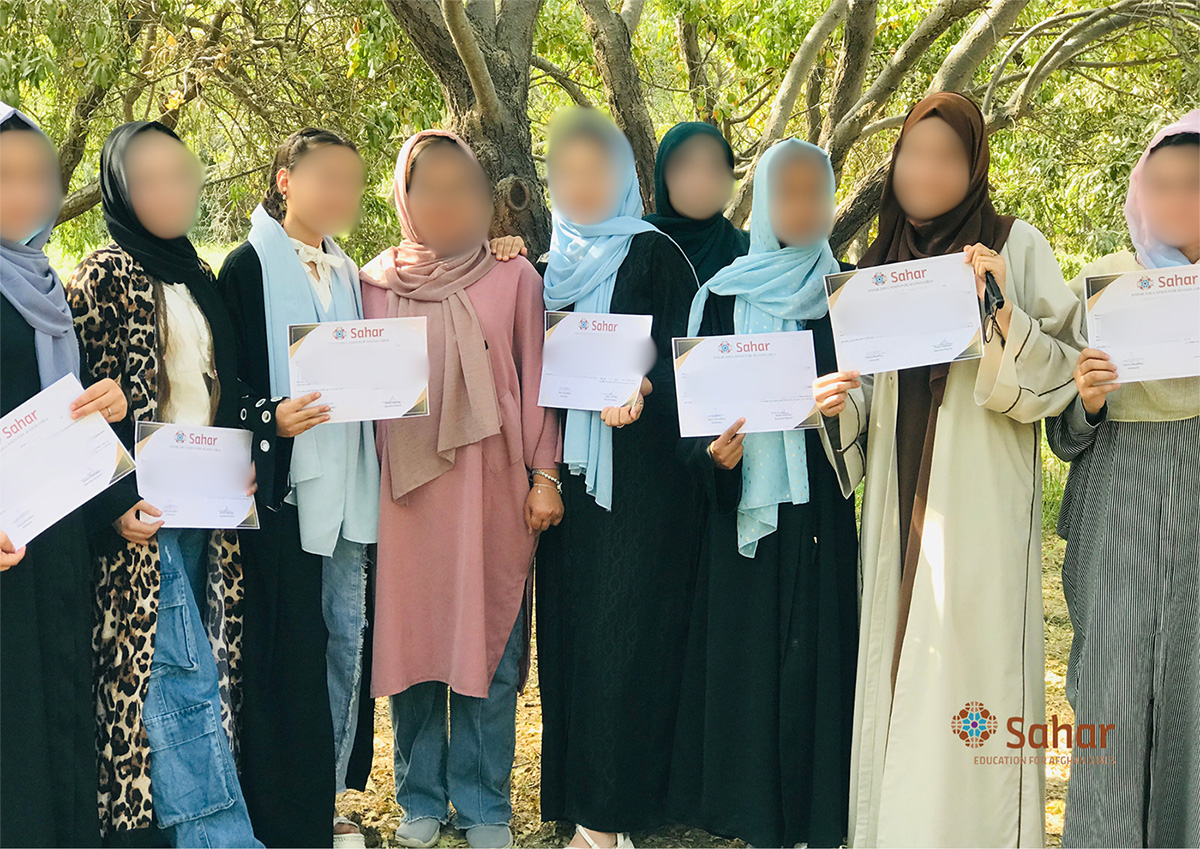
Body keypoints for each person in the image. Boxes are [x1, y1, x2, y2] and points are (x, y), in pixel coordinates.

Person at [816, 92, 1085, 847]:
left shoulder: (1013, 244)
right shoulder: (882, 256)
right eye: (912, 154)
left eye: (946, 157)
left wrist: (1001, 311)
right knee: (903, 661)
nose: (925, 170)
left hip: (976, 498)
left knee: (971, 662)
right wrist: (838, 401)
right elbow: (868, 392)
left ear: (974, 168)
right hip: (898, 504)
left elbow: (1064, 374)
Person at [359, 130, 562, 849]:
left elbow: (538, 382)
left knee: (490, 647)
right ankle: (418, 794)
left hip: (492, 492)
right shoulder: (372, 283)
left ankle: (484, 804)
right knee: (414, 645)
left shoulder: (516, 278)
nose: (446, 201)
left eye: (462, 187)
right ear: (403, 199)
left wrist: (545, 473)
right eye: (429, 187)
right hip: (407, 498)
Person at [65, 121, 261, 848]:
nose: (169, 192)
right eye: (149, 179)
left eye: (180, 175)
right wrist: (116, 503)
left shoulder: (194, 272)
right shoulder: (101, 275)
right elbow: (75, 405)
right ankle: (224, 839)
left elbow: (220, 391)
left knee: (197, 676)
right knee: (180, 681)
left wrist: (246, 453)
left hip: (207, 507)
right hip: (142, 514)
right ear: (120, 187)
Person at [667, 138, 859, 848]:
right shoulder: (720, 296)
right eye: (789, 193)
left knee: (815, 659)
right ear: (765, 202)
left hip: (822, 511)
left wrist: (848, 408)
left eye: (817, 193)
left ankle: (817, 819)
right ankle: (752, 816)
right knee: (749, 663)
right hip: (743, 507)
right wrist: (716, 457)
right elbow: (693, 425)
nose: (803, 208)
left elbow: (878, 413)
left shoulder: (849, 295)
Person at [534, 107, 702, 849]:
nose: (582, 184)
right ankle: (579, 805)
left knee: (624, 642)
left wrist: (650, 390)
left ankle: (609, 821)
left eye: (597, 169)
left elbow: (686, 367)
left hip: (640, 488)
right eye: (567, 172)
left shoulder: (657, 256)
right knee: (572, 642)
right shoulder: (546, 269)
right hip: (567, 486)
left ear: (627, 175)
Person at [217, 128, 379, 848]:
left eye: (353, 182)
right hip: (283, 489)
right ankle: (285, 806)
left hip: (350, 480)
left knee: (347, 637)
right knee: (288, 645)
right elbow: (226, 380)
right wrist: (268, 416)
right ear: (285, 179)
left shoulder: (349, 272)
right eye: (327, 179)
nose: (341, 195)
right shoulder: (247, 266)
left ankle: (333, 794)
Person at [1047, 110, 1200, 849]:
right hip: (1123, 487)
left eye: (1193, 186)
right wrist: (1092, 396)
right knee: (1113, 674)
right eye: (1161, 185)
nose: (1174, 202)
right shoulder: (1107, 283)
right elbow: (1066, 432)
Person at [0, 101, 128, 849]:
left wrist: (102, 407)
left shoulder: (43, 284)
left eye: (37, 178)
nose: (25, 195)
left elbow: (53, 415)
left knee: (54, 718)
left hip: (48, 547)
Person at [644, 121, 749, 283]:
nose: (700, 181)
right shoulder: (629, 247)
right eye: (686, 167)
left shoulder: (750, 252)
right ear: (663, 176)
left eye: (714, 168)